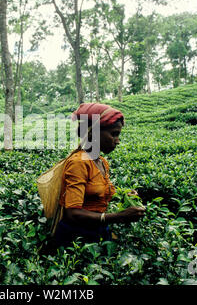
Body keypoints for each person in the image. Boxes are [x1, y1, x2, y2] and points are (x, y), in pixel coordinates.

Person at [54, 103, 145, 247]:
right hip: (77, 239)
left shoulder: (101, 162)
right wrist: (119, 217)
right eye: (113, 134)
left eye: (118, 134)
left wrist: (126, 195)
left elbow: (95, 195)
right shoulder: (79, 163)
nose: (117, 141)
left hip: (98, 232)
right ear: (93, 132)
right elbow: (72, 213)